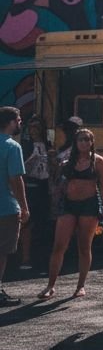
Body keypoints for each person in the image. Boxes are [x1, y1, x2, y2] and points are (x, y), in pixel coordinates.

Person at [38, 127, 103, 299]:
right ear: (75, 143)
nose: (84, 143)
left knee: (84, 246)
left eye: (87, 140)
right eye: (80, 140)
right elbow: (59, 185)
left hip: (89, 206)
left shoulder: (98, 161)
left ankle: (80, 286)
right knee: (59, 245)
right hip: (69, 205)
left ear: (92, 142)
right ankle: (50, 285)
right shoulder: (68, 161)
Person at [0, 107, 29, 307]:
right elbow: (16, 180)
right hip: (5, 207)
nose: (20, 123)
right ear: (10, 122)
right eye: (18, 120)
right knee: (2, 250)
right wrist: (24, 207)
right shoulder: (12, 146)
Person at [18, 116, 51, 269]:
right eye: (31, 127)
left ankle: (40, 257)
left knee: (42, 222)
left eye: (37, 127)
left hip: (44, 186)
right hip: (29, 185)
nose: (34, 130)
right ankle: (25, 258)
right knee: (27, 223)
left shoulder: (48, 145)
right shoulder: (25, 145)